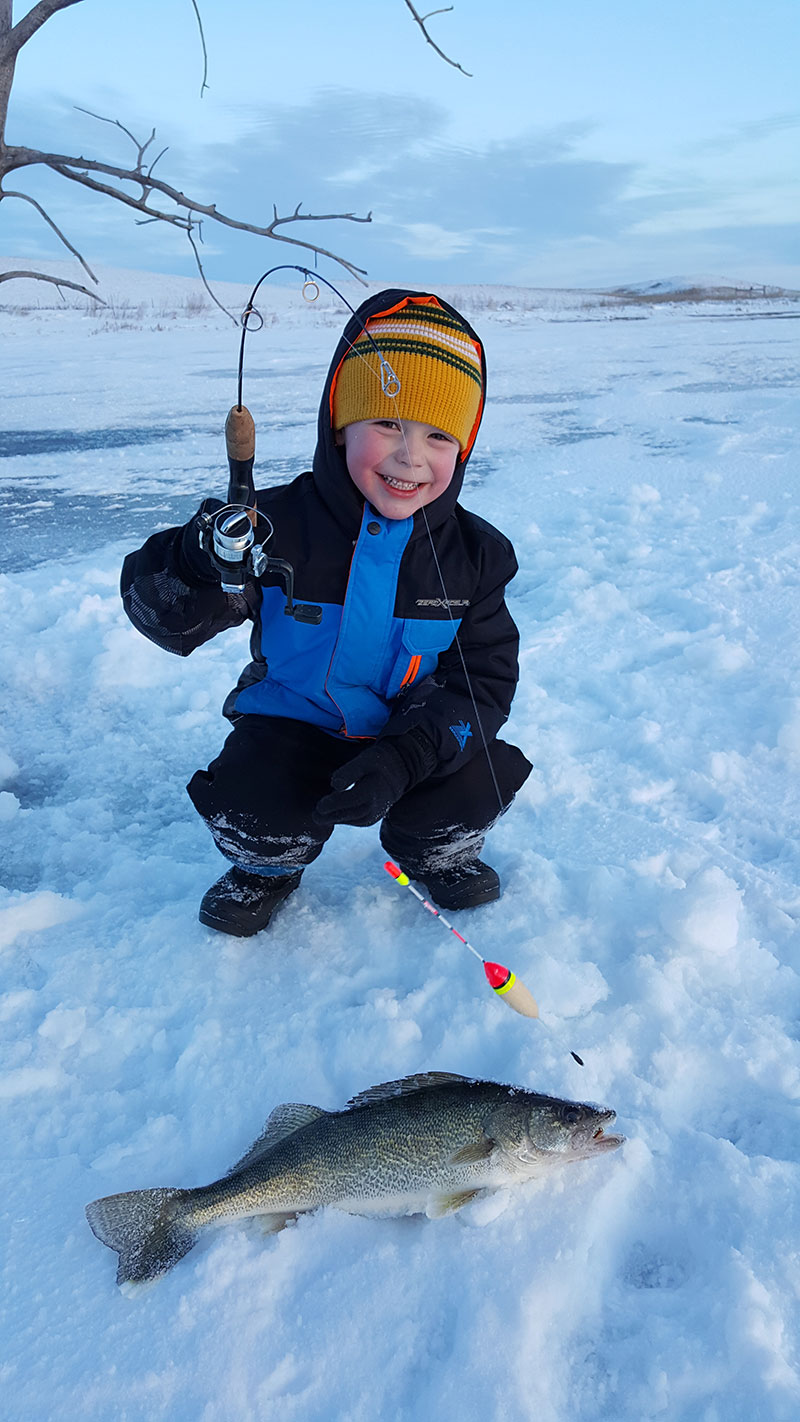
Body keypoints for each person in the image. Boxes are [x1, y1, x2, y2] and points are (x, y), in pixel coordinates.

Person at [121, 289, 532, 936]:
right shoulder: (276, 527)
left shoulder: (476, 557)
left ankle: (438, 850)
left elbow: (482, 682)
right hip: (295, 721)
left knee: (471, 782)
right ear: (341, 424)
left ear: (464, 448)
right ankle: (267, 865)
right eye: (388, 424)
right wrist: (198, 562)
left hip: (414, 731)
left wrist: (405, 757)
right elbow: (165, 619)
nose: (410, 455)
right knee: (256, 809)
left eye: (437, 435)